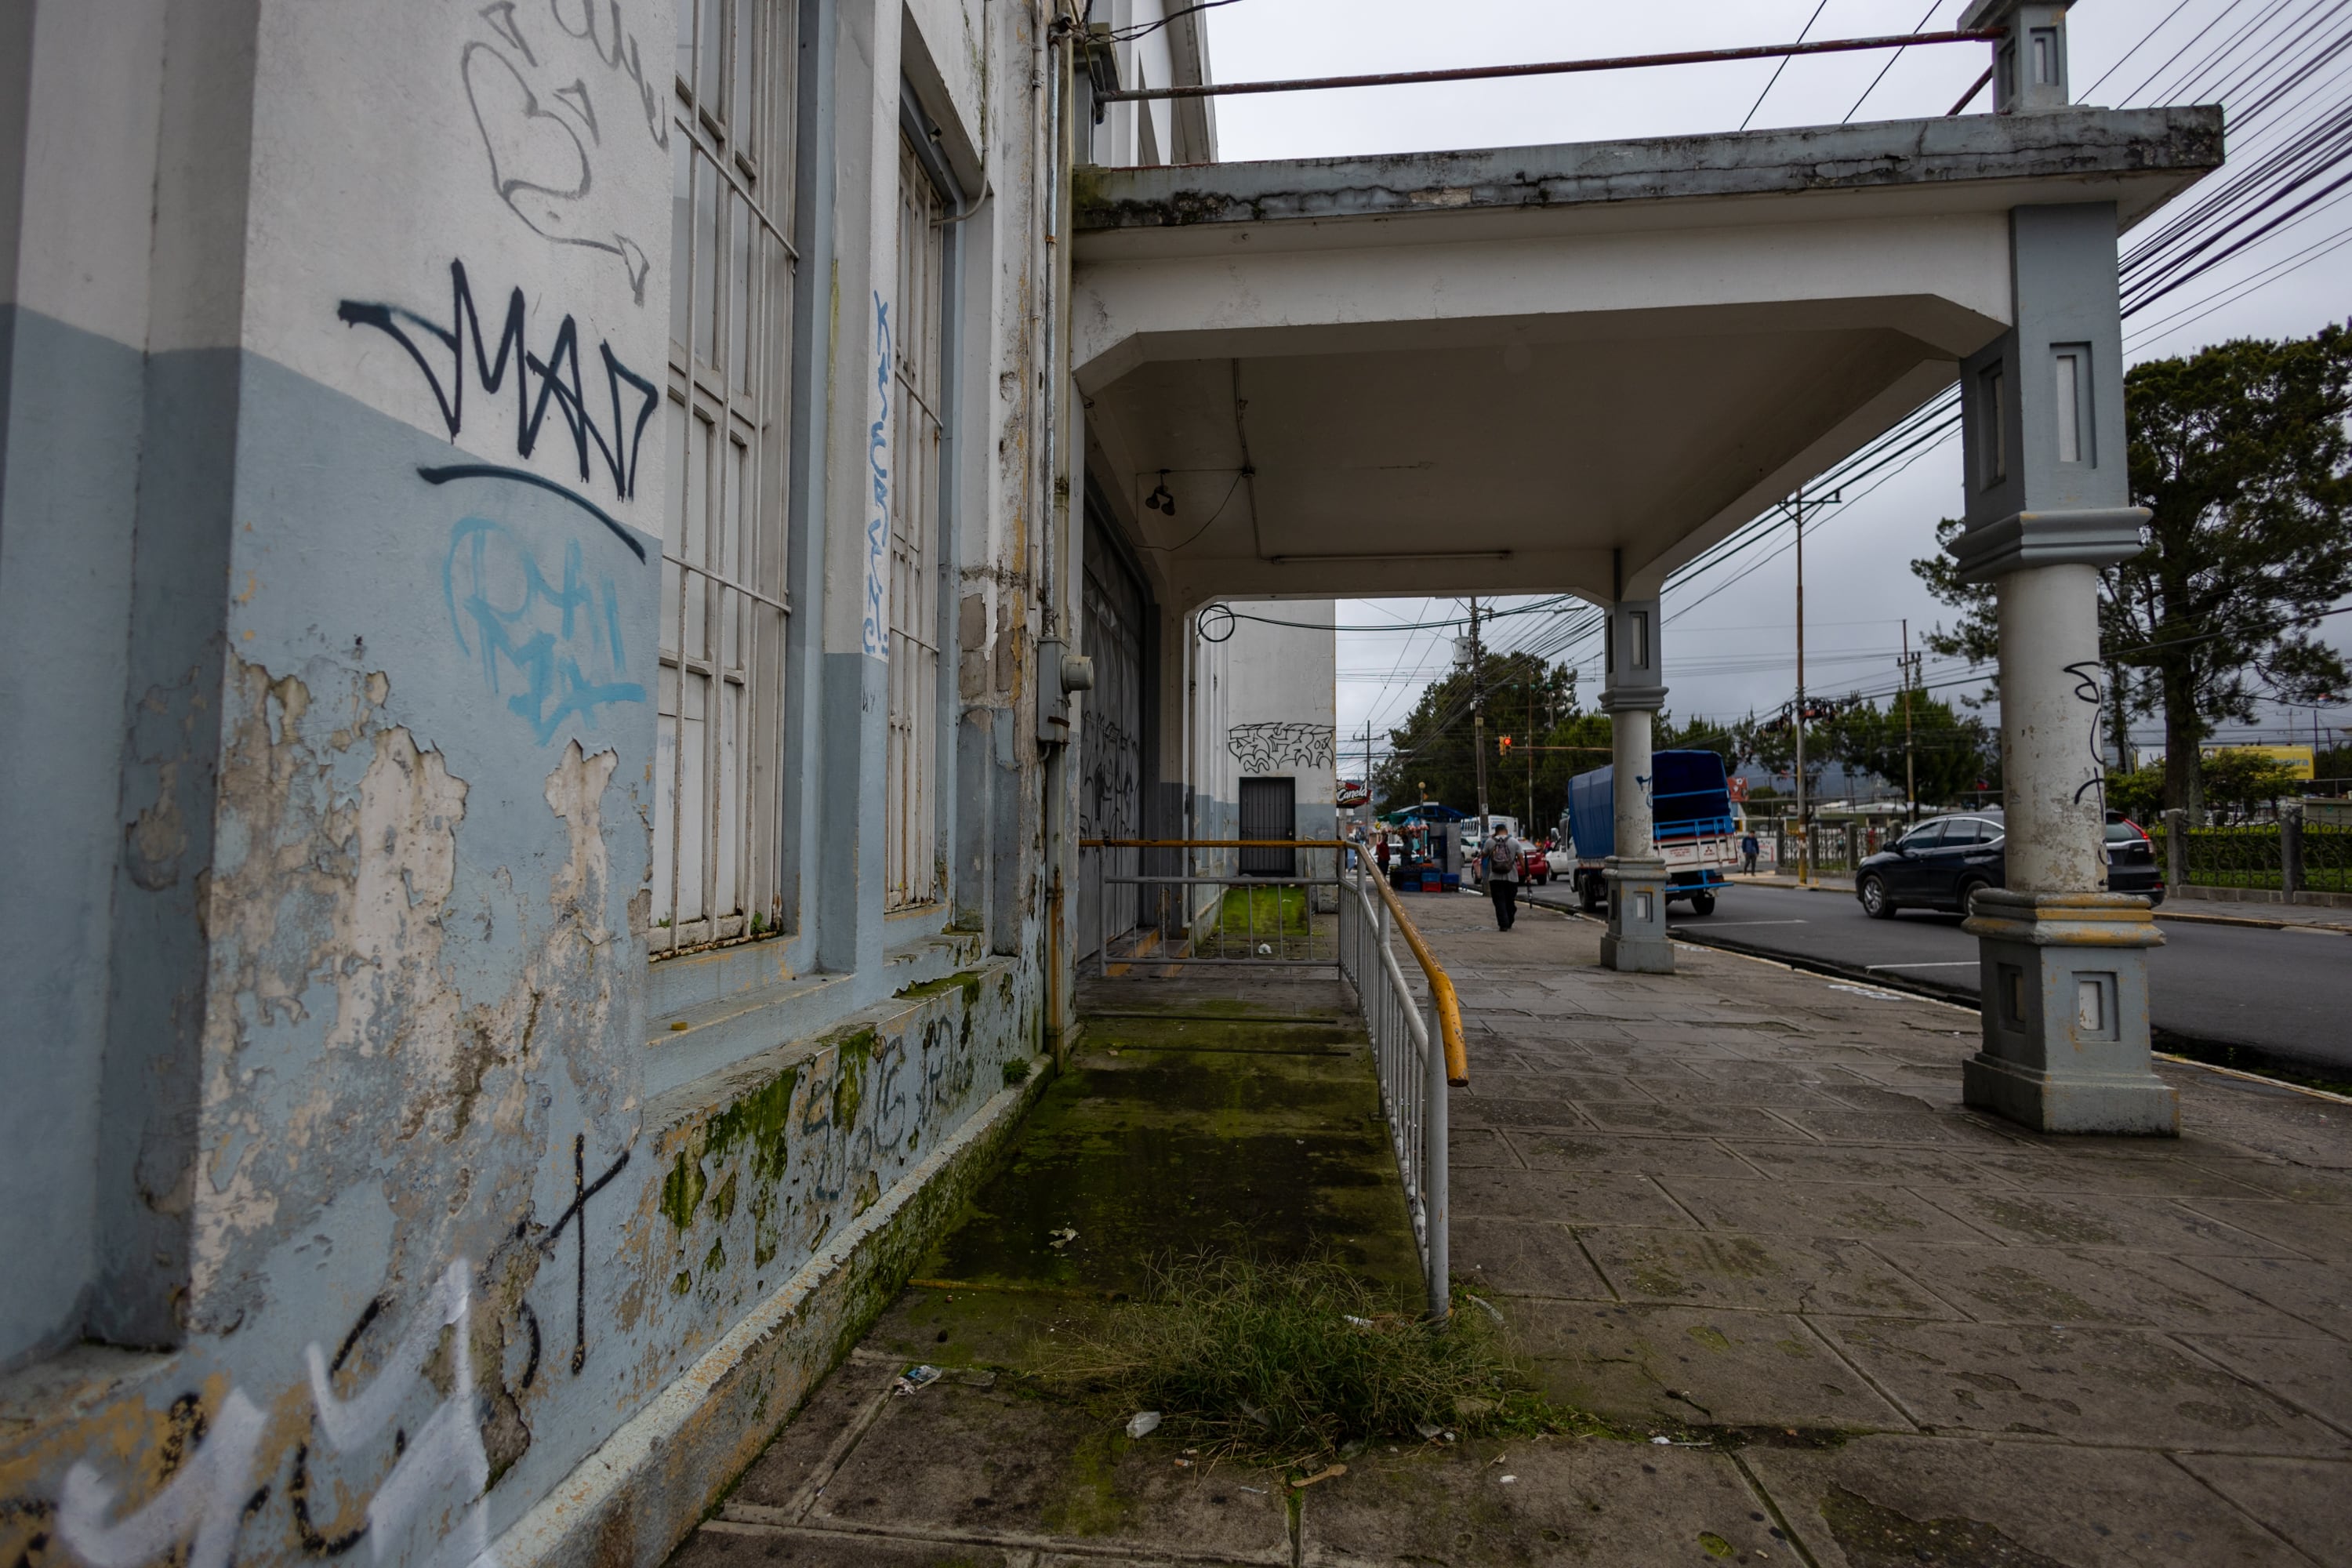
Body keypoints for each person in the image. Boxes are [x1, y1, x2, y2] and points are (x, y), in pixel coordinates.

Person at [1483, 823, 1520, 931]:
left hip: (1495, 877)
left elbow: (1483, 855)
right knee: (1510, 900)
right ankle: (1510, 920)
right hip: (1512, 877)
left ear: (1496, 831)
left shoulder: (1490, 842)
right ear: (1506, 830)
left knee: (1499, 901)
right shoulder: (1514, 842)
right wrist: (1527, 874)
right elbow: (1521, 859)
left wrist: (1491, 842)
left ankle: (1503, 924)